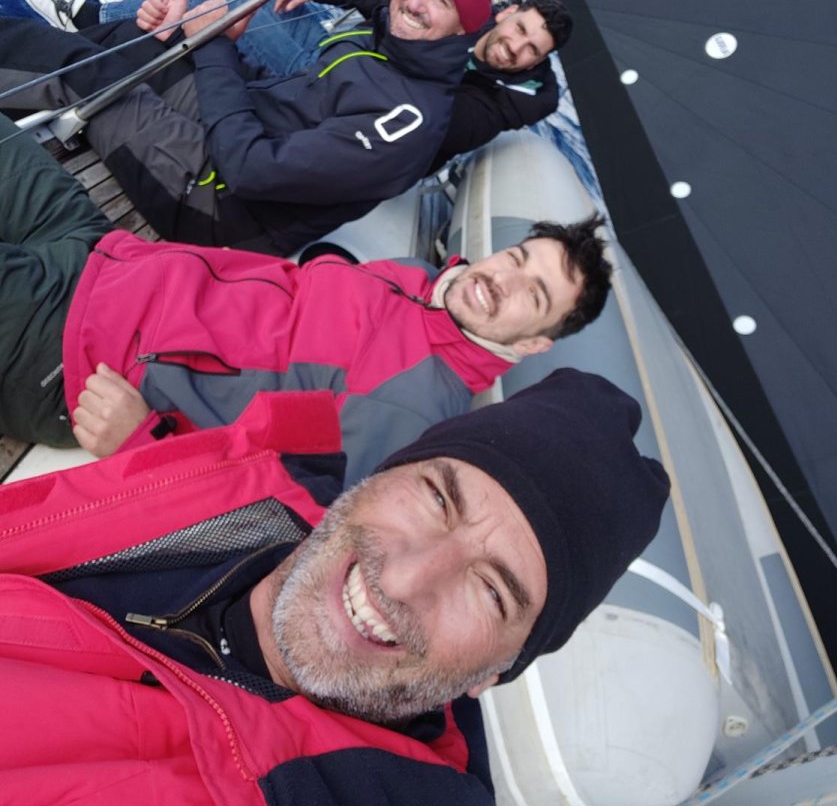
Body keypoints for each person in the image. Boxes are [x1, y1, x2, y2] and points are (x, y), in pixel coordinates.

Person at [0, 367, 670, 804]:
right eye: (436, 497)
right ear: (379, 476)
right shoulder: (250, 480)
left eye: (492, 592)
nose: (404, 580)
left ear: (494, 673)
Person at [0, 115, 611, 483]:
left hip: (75, 349)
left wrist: (141, 444)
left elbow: (279, 517)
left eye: (533, 294)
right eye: (518, 257)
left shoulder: (412, 406)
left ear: (535, 343)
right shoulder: (421, 280)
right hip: (105, 251)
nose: (503, 278)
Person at [1, 0, 499, 255]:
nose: (414, 2)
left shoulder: (408, 121)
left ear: (465, 26)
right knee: (144, 37)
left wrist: (215, 46)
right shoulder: (394, 41)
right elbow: (290, 96)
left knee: (78, 67)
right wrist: (190, 40)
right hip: (236, 134)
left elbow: (250, 169)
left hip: (216, 205)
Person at [17, 0, 573, 169]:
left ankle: (96, 18)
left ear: (537, 65)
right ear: (506, 12)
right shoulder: (458, 19)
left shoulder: (490, 107)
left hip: (333, 92)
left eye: (532, 52)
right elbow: (390, 1)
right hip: (339, 66)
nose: (516, 49)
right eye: (520, 31)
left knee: (224, 4)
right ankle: (127, 17)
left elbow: (406, 107)